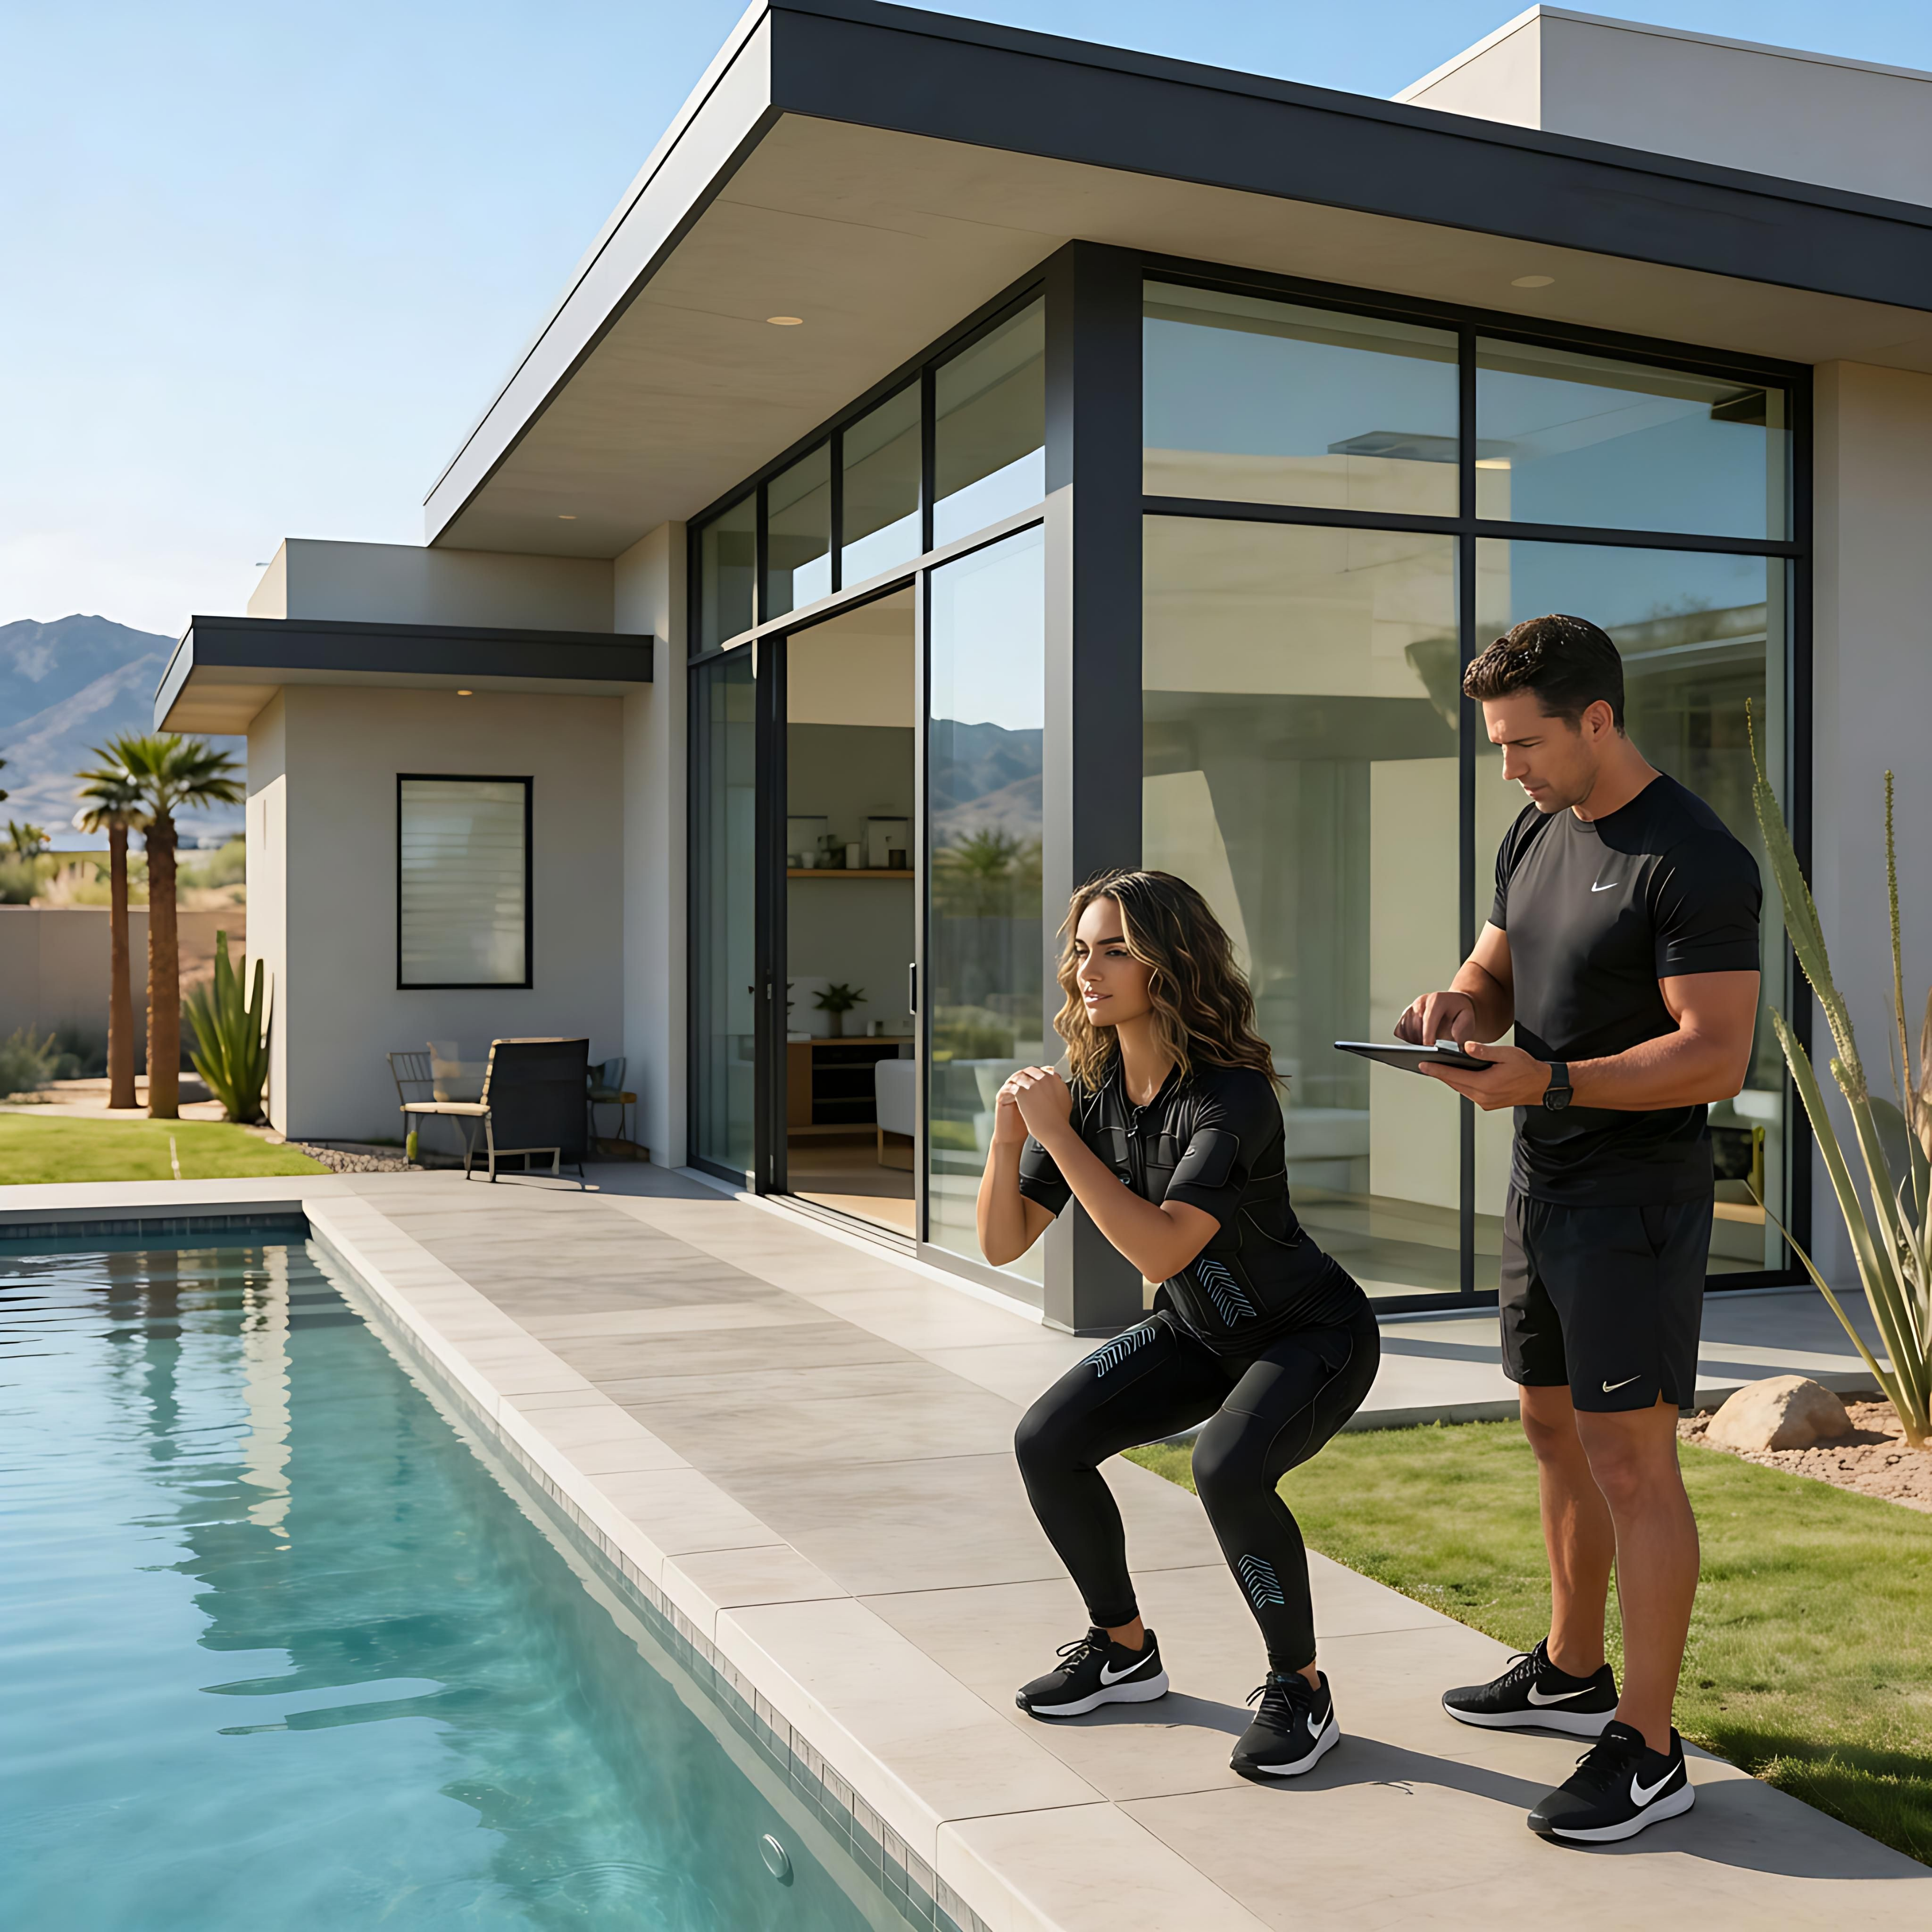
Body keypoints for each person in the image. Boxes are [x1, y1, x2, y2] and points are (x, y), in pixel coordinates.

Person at [1398, 613, 1760, 1845]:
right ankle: (1569, 1669)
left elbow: (1716, 1054)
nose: (1510, 768)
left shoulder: (1693, 857)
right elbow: (1497, 970)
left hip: (1634, 1199)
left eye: (1523, 743)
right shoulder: (1539, 828)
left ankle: (1650, 1748)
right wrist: (1458, 1002)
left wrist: (1551, 1083)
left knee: (1631, 1461)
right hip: (1540, 1181)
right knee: (1549, 1423)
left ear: (1597, 719)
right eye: (1496, 746)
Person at [979, 868, 1379, 1781]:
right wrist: (1012, 1141)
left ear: (1173, 960)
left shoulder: (1231, 1098)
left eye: (1116, 948)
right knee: (1047, 1439)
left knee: (1227, 1469)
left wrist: (1062, 1137)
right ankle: (1124, 1651)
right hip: (1202, 1332)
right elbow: (1004, 1242)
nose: (1090, 968)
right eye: (1082, 949)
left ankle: (1300, 1688)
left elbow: (1161, 1250)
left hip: (1308, 1334)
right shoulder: (1090, 1091)